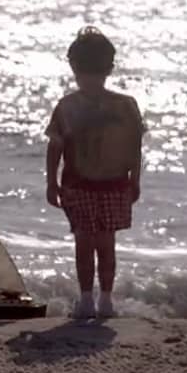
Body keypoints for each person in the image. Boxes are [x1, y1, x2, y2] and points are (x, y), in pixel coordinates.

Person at [44, 26, 145, 319]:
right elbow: (134, 147)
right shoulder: (123, 105)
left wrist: (52, 182)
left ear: (73, 66)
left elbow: (55, 149)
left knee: (91, 243)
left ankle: (97, 298)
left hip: (100, 184)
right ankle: (96, 298)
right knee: (98, 242)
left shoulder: (73, 106)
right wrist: (135, 180)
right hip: (92, 184)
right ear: (110, 67)